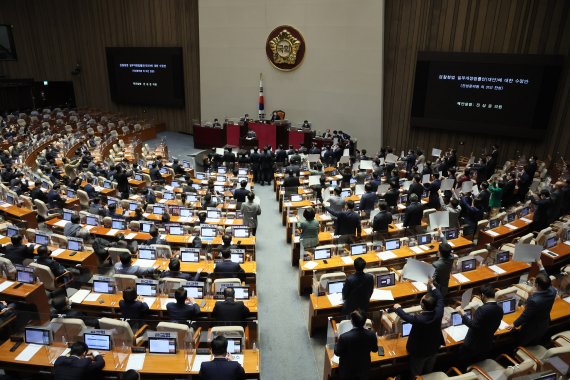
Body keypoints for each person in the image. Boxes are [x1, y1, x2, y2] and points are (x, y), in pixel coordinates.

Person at [394, 279, 444, 377]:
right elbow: (440, 297)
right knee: (429, 369)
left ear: (422, 305)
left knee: (416, 372)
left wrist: (398, 308)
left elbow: (406, 317)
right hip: (434, 347)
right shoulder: (439, 312)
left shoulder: (419, 319)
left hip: (419, 351)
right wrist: (432, 286)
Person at [508, 258, 556, 345]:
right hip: (544, 323)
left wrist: (514, 324)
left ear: (536, 285)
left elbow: (525, 315)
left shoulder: (534, 300)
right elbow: (546, 279)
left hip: (531, 327)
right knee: (536, 340)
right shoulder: (552, 291)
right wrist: (540, 265)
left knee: (523, 343)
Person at [455, 284, 503, 368]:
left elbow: (473, 325)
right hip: (486, 343)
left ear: (483, 295)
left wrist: (463, 314)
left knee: (463, 363)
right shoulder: (499, 308)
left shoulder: (483, 309)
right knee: (479, 363)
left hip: (472, 345)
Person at [334, 309, 378, 380]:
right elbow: (375, 350)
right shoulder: (372, 335)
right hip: (364, 369)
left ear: (351, 321)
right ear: (364, 322)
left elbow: (337, 352)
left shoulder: (344, 337)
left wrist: (337, 341)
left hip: (347, 371)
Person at [432, 229, 453, 297]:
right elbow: (445, 244)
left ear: (439, 252)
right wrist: (441, 233)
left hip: (438, 288)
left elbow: (432, 279)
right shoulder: (451, 257)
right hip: (445, 285)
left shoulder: (436, 264)